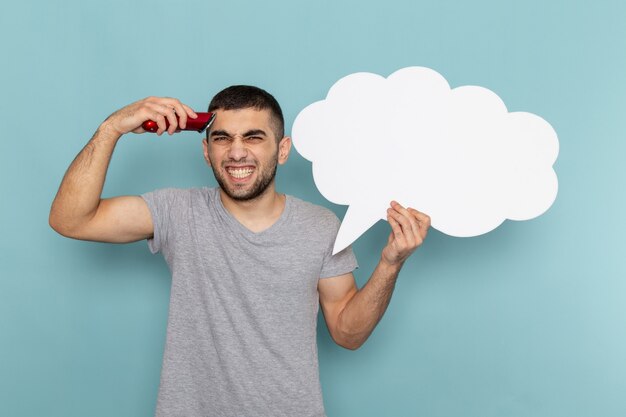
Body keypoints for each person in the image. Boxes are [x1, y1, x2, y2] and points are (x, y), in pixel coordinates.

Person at [49, 86, 431, 417]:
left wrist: (389, 263)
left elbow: (348, 333)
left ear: (282, 150)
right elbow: (71, 220)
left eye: (253, 137)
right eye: (222, 138)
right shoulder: (177, 212)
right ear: (206, 150)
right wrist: (111, 128)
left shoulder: (320, 226)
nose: (236, 152)